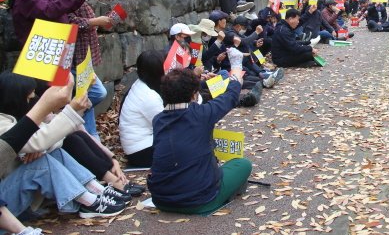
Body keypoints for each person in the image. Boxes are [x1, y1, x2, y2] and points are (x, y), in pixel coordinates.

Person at [0, 73, 127, 219]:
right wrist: (69, 111)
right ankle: (88, 201)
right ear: (15, 99)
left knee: (58, 150)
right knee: (43, 162)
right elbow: (40, 140)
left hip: (20, 191)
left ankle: (96, 190)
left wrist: (43, 147)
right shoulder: (3, 123)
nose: (34, 101)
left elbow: (55, 139)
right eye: (30, 98)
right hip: (6, 202)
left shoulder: (18, 116)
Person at [147, 68, 252, 214]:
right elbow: (229, 98)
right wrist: (236, 81)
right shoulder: (202, 115)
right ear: (193, 94)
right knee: (243, 164)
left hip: (160, 200)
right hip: (199, 200)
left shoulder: (157, 120)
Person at [49, 0, 109, 140]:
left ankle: (89, 136)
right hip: (74, 56)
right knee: (93, 94)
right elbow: (68, 21)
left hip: (83, 55)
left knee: (87, 97)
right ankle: (86, 133)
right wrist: (93, 21)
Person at [119, 50, 165, 168]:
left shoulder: (141, 83)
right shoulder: (149, 97)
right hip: (141, 150)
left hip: (137, 144)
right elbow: (167, 126)